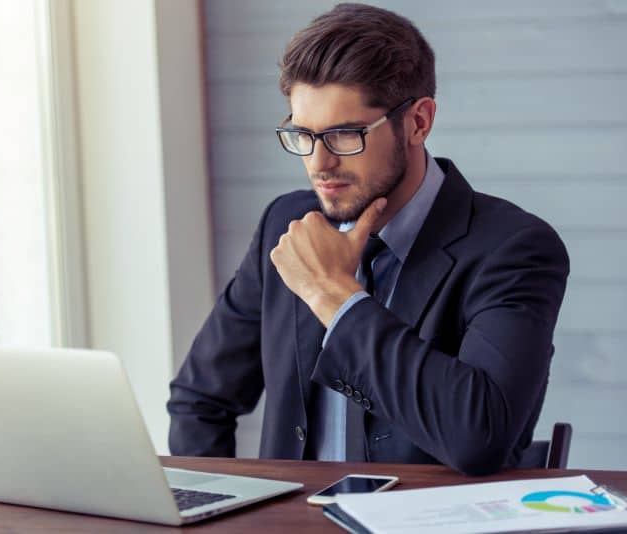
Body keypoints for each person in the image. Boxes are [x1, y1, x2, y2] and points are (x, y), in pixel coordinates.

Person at [167, 3, 569, 475]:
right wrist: (212, 512)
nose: (318, 163)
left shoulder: (514, 248)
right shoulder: (286, 224)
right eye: (303, 135)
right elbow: (200, 398)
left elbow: (478, 438)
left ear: (418, 121)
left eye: (343, 135)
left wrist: (333, 296)